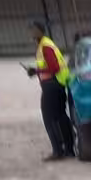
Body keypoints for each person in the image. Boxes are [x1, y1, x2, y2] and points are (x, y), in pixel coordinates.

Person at [26, 21, 75, 160]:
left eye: (34, 30)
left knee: (49, 118)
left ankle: (58, 151)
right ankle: (69, 150)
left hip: (52, 85)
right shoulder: (46, 44)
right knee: (60, 116)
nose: (31, 33)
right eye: (30, 30)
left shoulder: (46, 46)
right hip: (58, 84)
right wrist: (35, 72)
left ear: (40, 31)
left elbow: (54, 67)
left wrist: (35, 70)